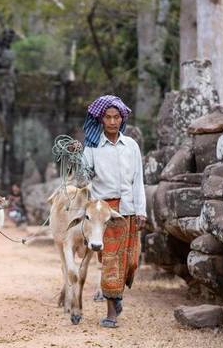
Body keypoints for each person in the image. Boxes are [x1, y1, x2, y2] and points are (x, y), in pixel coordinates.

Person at [72, 95, 147, 328]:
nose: (112, 121)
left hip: (129, 208)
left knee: (131, 262)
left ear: (122, 119)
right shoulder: (92, 147)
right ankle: (111, 312)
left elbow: (138, 181)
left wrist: (142, 211)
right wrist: (77, 158)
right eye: (108, 117)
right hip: (103, 212)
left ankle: (117, 296)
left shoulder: (131, 146)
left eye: (116, 117)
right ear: (101, 119)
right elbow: (82, 179)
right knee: (111, 261)